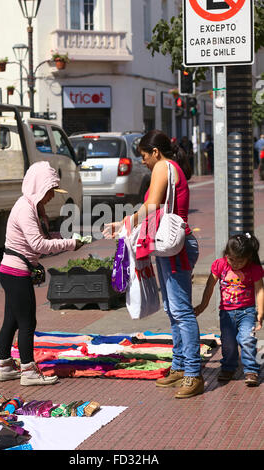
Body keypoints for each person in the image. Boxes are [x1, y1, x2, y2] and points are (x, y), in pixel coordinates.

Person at [103, 130, 203, 399]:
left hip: (175, 246)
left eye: (144, 156)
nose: (143, 162)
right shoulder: (169, 166)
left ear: (156, 152)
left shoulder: (163, 166)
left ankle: (193, 373)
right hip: (168, 245)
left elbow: (151, 205)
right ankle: (181, 366)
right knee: (173, 309)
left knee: (181, 311)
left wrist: (124, 223)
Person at [0, 161, 83, 386]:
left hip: (12, 270)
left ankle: (5, 366)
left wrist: (65, 238)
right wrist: (70, 244)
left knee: (12, 321)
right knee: (27, 323)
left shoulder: (31, 206)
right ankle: (28, 371)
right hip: (16, 272)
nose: (52, 196)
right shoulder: (25, 208)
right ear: (39, 186)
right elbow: (39, 245)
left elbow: (40, 237)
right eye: (50, 190)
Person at [194, 233, 264, 387]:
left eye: (240, 261)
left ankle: (251, 370)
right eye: (232, 259)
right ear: (226, 254)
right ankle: (228, 367)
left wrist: (261, 312)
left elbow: (260, 290)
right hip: (226, 313)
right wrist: (202, 306)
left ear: (249, 258)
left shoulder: (254, 268)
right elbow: (210, 286)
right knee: (228, 343)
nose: (235, 264)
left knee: (247, 339)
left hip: (247, 312)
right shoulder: (220, 264)